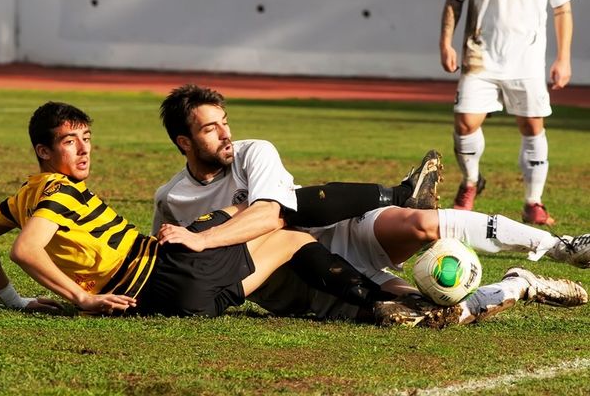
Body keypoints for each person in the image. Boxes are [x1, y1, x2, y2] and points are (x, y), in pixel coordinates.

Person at [154, 83, 589, 327]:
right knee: (436, 313)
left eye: (226, 123)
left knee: (421, 223)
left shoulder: (253, 152)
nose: (227, 134)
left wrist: (204, 238)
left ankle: (560, 246)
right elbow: (168, 267)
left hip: (334, 230)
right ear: (184, 142)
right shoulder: (170, 200)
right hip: (301, 281)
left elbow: (271, 214)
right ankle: (520, 285)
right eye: (211, 130)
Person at [0, 101, 398, 318]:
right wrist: (80, 298)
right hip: (168, 272)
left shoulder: (25, 195)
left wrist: (11, 299)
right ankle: (393, 198)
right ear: (44, 151)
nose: (84, 150)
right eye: (69, 142)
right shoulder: (60, 193)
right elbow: (25, 249)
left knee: (282, 234)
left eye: (87, 138)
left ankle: (380, 305)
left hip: (171, 301)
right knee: (273, 216)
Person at [439, 0, 575, 224]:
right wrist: (445, 43)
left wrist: (564, 58)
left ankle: (533, 202)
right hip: (479, 54)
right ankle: (471, 182)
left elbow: (562, 9)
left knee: (532, 126)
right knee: (465, 123)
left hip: (526, 60)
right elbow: (454, 1)